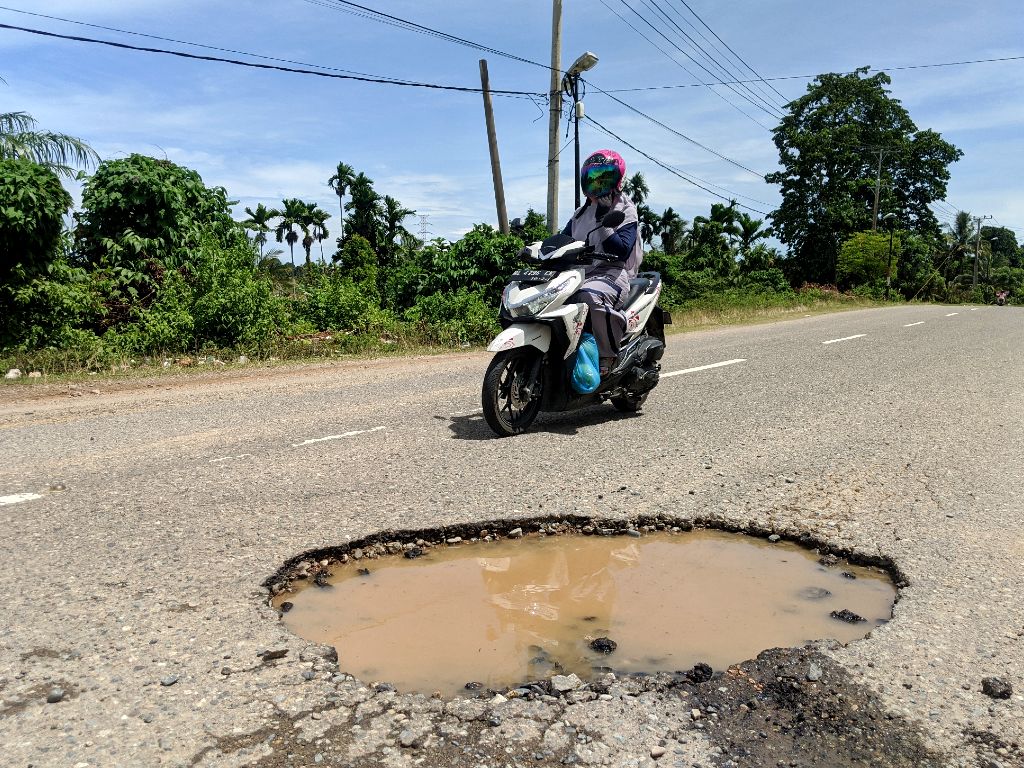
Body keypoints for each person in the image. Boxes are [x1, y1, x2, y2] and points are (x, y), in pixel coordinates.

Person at [562, 150, 643, 376]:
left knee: (588, 296)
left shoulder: (625, 209)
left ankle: (608, 354)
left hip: (613, 273)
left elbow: (620, 251)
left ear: (617, 180)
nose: (597, 183)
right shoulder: (580, 213)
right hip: (580, 274)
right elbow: (563, 241)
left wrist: (603, 219)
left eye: (604, 177)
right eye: (593, 177)